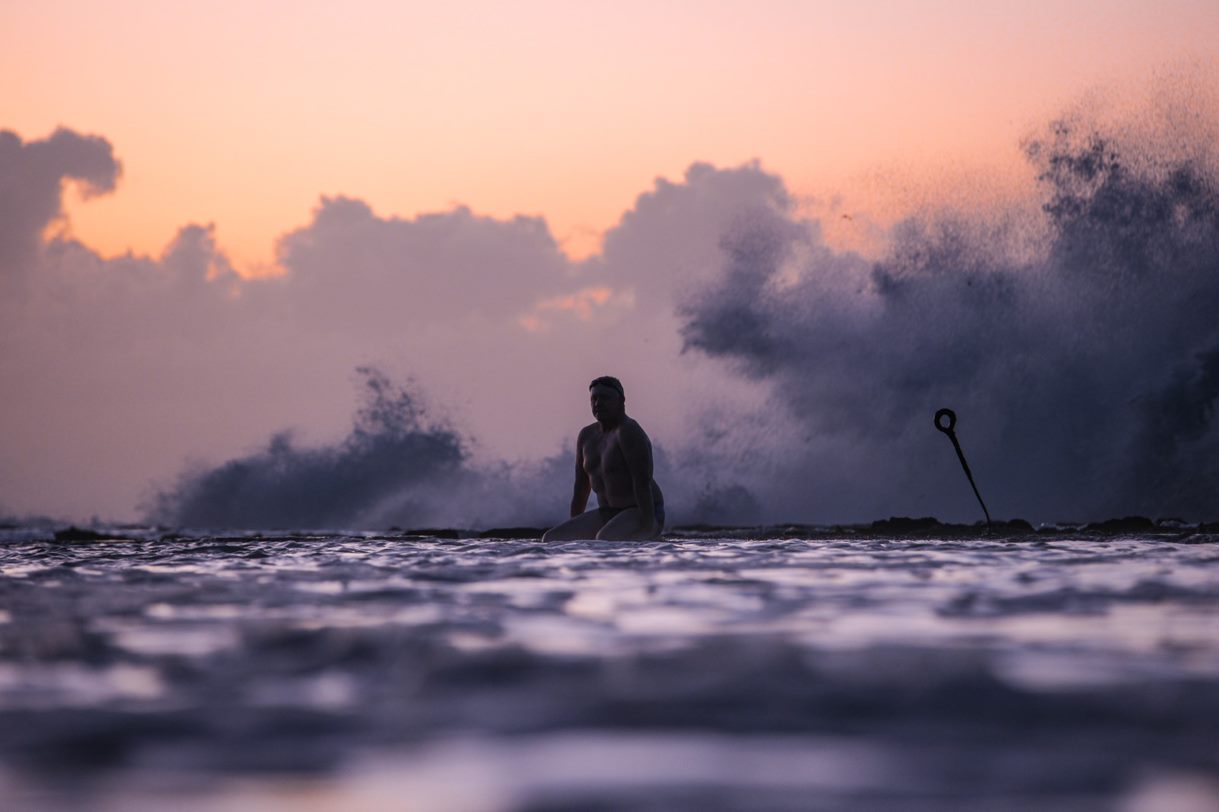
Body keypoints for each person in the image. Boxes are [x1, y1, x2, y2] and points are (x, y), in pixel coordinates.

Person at [542, 376, 665, 541]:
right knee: (552, 539)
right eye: (594, 398)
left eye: (605, 398)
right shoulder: (586, 436)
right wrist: (575, 526)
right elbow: (581, 488)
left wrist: (648, 526)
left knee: (604, 540)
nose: (598, 403)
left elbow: (641, 482)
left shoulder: (628, 432)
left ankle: (652, 533)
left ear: (621, 400)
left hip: (643, 510)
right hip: (609, 513)